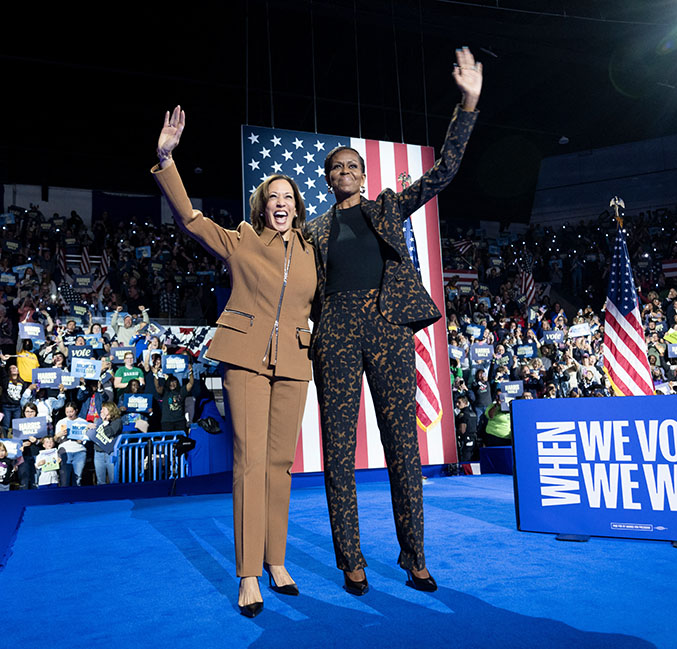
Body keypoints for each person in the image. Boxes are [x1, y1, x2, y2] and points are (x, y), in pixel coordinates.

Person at [307, 46, 482, 594]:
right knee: (338, 451)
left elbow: (444, 172)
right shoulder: (311, 231)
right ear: (328, 178)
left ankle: (415, 558)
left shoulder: (385, 207)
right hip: (334, 331)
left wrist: (468, 103)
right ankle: (351, 561)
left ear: (363, 174)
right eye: (337, 168)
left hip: (386, 329)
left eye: (353, 166)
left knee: (403, 446)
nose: (346, 172)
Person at [152, 105, 317, 618]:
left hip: (293, 360)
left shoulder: (315, 251)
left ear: (299, 205)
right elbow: (191, 220)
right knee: (248, 462)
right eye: (273, 198)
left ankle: (277, 561)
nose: (281, 204)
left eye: (289, 197)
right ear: (262, 205)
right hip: (243, 357)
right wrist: (166, 159)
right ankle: (248, 574)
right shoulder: (242, 239)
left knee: (279, 465)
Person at [88, 402, 123, 485]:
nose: (101, 411)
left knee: (114, 480)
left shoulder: (117, 421)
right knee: (100, 481)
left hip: (111, 453)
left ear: (110, 410)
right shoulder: (98, 420)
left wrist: (105, 422)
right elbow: (93, 434)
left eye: (103, 409)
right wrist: (88, 428)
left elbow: (109, 432)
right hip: (98, 453)